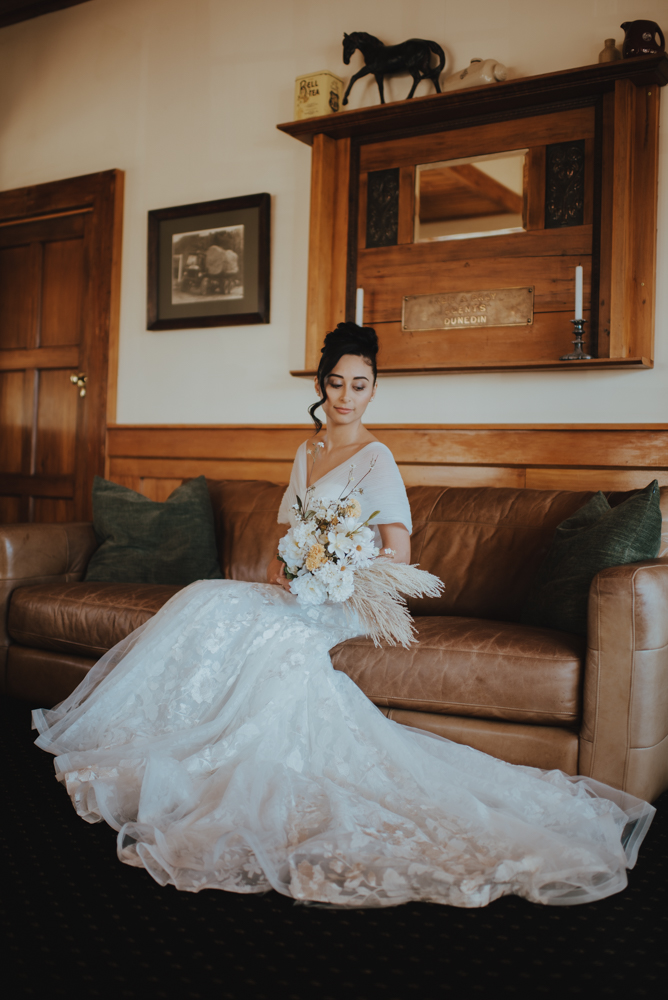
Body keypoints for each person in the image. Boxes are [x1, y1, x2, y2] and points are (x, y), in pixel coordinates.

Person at [33, 323, 654, 908]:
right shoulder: (308, 450)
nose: (346, 397)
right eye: (336, 384)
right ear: (321, 386)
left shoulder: (377, 458)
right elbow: (284, 538)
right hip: (304, 590)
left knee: (271, 634)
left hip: (346, 602)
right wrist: (288, 566)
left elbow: (399, 552)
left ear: (373, 390)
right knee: (208, 597)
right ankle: (170, 735)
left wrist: (339, 567)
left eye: (360, 385)